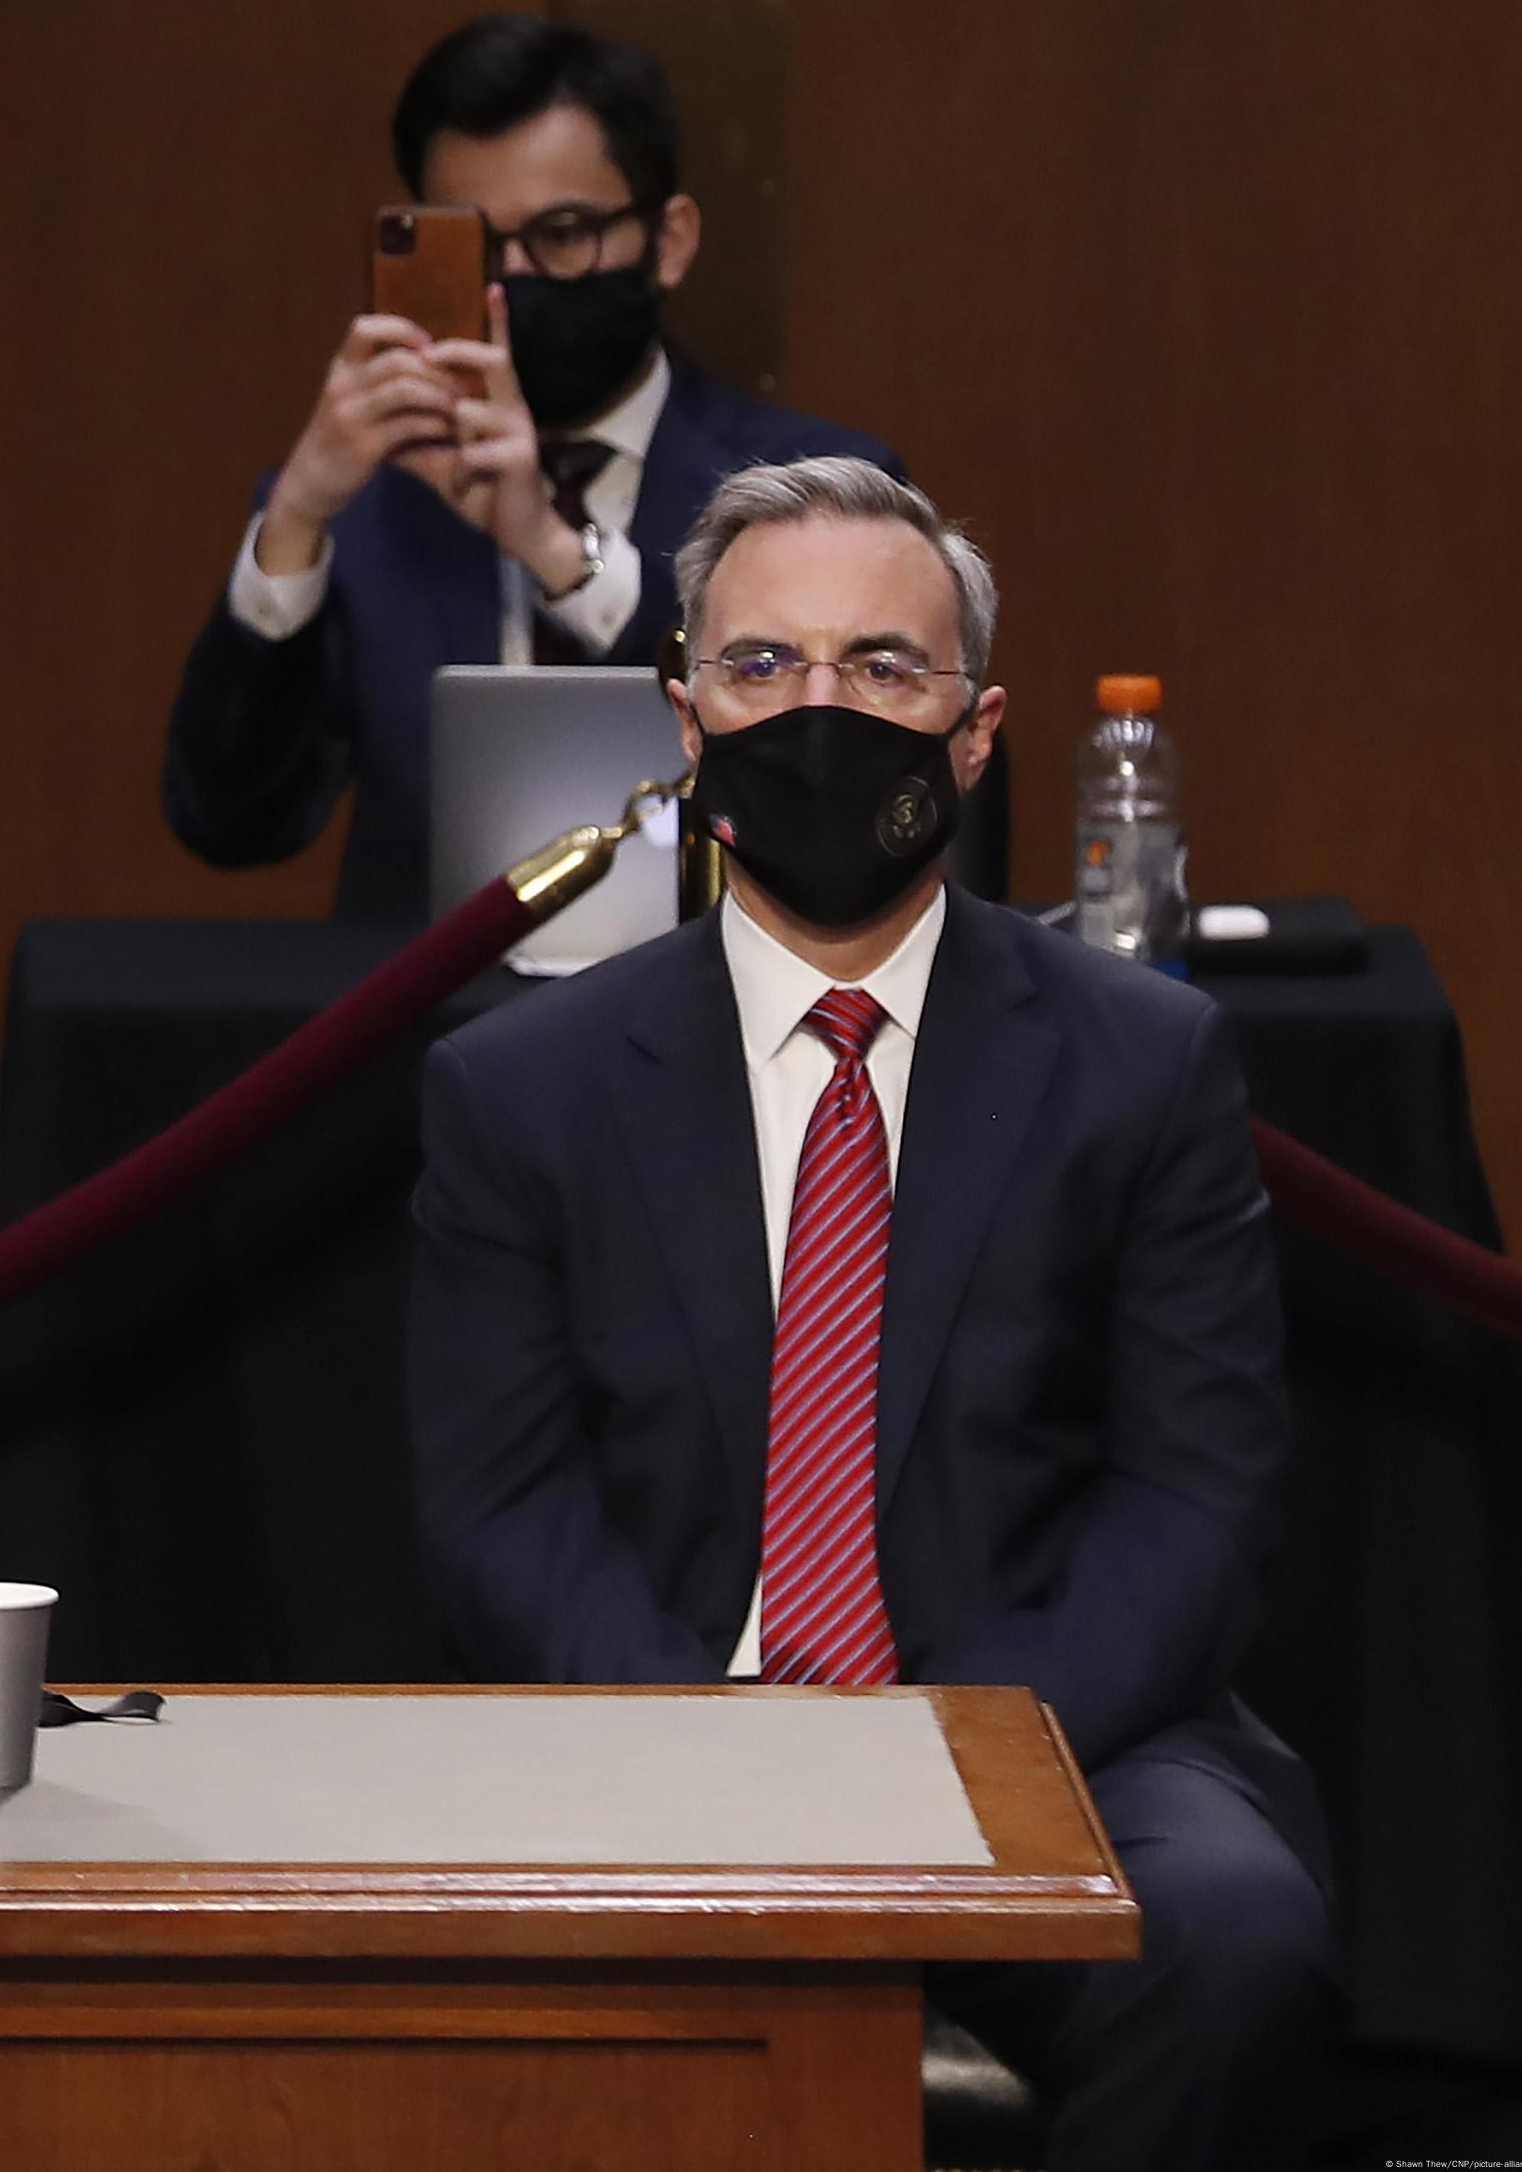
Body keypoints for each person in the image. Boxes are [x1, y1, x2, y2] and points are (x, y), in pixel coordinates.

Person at [409, 457, 1334, 2171]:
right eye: (765, 669)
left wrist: (943, 1761)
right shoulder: (518, 1090)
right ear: (685, 720)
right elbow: (499, 1509)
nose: (818, 713)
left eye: (881, 670)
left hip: (1055, 1728)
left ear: (976, 734)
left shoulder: (1143, 1065)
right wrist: (720, 1761)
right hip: (655, 1725)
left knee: (1233, 1940)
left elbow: (1196, 1499)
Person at [163, 15, 903, 920]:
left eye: (560, 235)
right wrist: (296, 518)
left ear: (668, 241)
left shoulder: (828, 495)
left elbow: (845, 803)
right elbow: (231, 821)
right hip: (432, 1037)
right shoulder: (364, 509)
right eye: (474, 245)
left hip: (724, 1033)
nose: (514, 279)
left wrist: (554, 550)